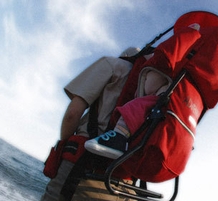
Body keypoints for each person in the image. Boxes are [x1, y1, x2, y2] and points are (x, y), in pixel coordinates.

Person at [25, 47, 141, 201]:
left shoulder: (112, 65)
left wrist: (63, 147)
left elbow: (73, 114)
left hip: (84, 173)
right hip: (126, 188)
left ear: (125, 56)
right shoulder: (152, 86)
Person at [84, 23, 201, 159]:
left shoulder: (114, 64)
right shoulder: (193, 79)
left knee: (139, 105)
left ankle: (118, 138)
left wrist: (191, 30)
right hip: (175, 121)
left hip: (90, 155)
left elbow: (73, 112)